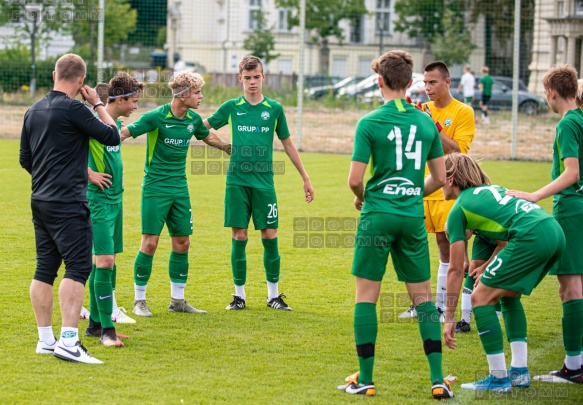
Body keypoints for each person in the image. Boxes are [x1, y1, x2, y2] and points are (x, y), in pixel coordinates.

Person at [336, 50, 453, 400]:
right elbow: (443, 179)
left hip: (378, 216)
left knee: (366, 297)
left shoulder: (369, 122)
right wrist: (411, 192)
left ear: (380, 81)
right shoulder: (422, 121)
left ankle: (366, 380)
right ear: (410, 82)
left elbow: (355, 180)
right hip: (411, 216)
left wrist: (364, 196)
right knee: (424, 300)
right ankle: (436, 379)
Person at [19, 53, 120, 364]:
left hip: (40, 200)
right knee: (77, 269)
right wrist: (98, 104)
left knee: (44, 270)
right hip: (68, 203)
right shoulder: (76, 108)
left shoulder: (32, 110)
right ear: (81, 82)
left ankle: (45, 339)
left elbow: (25, 159)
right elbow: (112, 134)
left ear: (53, 74)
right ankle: (68, 341)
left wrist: (49, 179)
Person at [441, 153, 565, 392]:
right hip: (553, 231)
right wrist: (487, 266)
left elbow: (456, 270)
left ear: (450, 180)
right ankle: (519, 372)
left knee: (480, 297)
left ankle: (498, 378)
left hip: (531, 236)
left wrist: (448, 318)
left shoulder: (459, 209)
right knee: (508, 295)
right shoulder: (491, 191)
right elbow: (505, 239)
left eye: (438, 177)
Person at [204, 55, 314, 311]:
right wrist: (221, 145)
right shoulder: (232, 106)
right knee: (239, 235)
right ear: (239, 78)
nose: (252, 82)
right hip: (237, 182)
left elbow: (287, 144)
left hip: (265, 183)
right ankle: (239, 296)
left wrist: (305, 177)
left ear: (263, 77)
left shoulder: (274, 109)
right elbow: (201, 126)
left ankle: (273, 296)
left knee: (270, 235)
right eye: (247, 77)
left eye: (256, 77)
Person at [120, 71, 231, 317]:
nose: (201, 96)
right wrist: (104, 142)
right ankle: (139, 301)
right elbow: (126, 133)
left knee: (183, 242)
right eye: (197, 92)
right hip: (155, 188)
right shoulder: (156, 117)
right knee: (149, 243)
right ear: (182, 95)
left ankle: (177, 301)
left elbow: (207, 136)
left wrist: (227, 147)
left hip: (180, 189)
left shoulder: (192, 119)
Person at [505, 65, 583, 384]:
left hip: (572, 209)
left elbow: (572, 173)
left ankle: (574, 367)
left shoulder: (567, 123)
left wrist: (535, 195)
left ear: (551, 92)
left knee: (570, 289)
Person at [399, 61, 475, 320]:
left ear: (447, 82)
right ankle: (426, 304)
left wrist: (430, 124)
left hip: (449, 189)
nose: (427, 88)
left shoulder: (463, 111)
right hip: (422, 188)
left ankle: (458, 309)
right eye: (425, 82)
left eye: (433, 82)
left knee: (452, 248)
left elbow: (458, 152)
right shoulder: (422, 110)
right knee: (418, 247)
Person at [83, 73, 144, 347]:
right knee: (105, 261)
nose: (135, 106)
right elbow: (64, 152)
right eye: (133, 101)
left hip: (115, 200)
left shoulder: (114, 123)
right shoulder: (90, 122)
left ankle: (96, 325)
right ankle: (108, 331)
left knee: (106, 261)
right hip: (97, 201)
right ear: (119, 99)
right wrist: (89, 174)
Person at [455, 235, 506, 333]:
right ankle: (464, 322)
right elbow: (462, 238)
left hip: (505, 237)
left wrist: (484, 268)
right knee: (473, 268)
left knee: (496, 274)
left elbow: (503, 244)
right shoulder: (462, 223)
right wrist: (465, 260)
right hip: (483, 237)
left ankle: (494, 323)